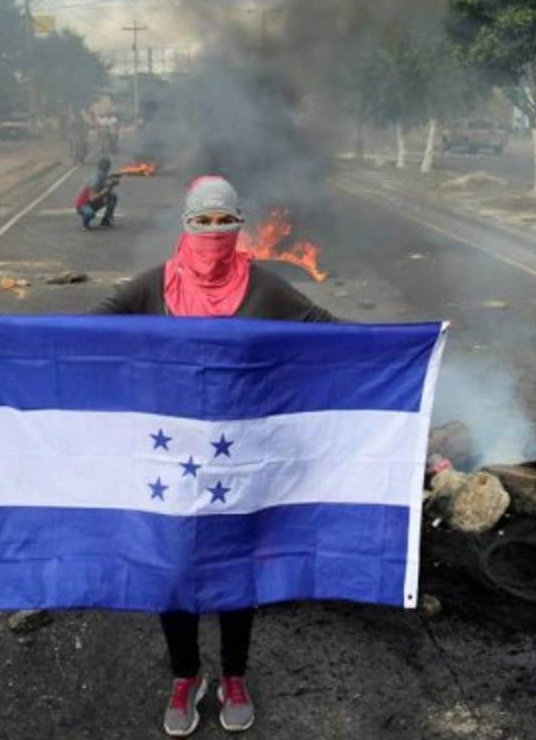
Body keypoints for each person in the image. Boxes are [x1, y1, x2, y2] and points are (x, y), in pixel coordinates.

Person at [94, 176, 334, 737]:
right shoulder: (152, 287)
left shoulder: (265, 289)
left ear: (239, 224)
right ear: (185, 224)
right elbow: (89, 328)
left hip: (239, 456)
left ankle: (234, 675)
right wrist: (10, 341)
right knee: (172, 566)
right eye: (201, 221)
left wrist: (403, 349)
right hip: (170, 458)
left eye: (224, 220)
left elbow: (326, 331)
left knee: (236, 567)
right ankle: (185, 675)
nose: (213, 231)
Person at [73, 157, 119, 229]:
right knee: (90, 214)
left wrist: (111, 185)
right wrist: (106, 190)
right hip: (83, 204)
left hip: (92, 202)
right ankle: (85, 223)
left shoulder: (101, 175)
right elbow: (92, 198)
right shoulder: (95, 179)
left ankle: (106, 220)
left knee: (113, 196)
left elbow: (106, 187)